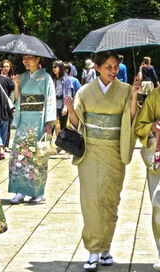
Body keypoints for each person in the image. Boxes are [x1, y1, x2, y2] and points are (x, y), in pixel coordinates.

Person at [64, 51, 140, 271]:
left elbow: (130, 119)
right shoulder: (85, 91)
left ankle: (106, 248)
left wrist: (134, 95)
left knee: (110, 201)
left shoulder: (126, 90)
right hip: (90, 152)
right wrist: (70, 109)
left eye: (116, 66)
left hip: (114, 151)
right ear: (97, 68)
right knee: (91, 202)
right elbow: (78, 123)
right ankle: (92, 251)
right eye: (108, 66)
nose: (113, 71)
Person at [8, 54, 56, 204]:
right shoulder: (22, 77)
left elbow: (50, 99)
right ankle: (20, 191)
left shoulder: (46, 77)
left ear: (38, 59)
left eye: (29, 58)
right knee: (18, 156)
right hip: (24, 120)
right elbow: (16, 99)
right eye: (23, 58)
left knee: (37, 158)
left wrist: (49, 123)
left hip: (39, 120)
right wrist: (16, 84)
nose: (25, 61)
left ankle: (38, 192)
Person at [135, 86, 160, 271]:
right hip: (158, 156)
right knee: (159, 203)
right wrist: (151, 127)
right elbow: (139, 126)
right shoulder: (155, 96)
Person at [52, 60, 74, 131]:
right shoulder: (53, 79)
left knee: (63, 127)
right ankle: (49, 141)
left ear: (60, 68)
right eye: (53, 67)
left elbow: (69, 93)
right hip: (53, 105)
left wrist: (66, 107)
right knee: (52, 125)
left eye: (55, 67)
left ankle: (62, 141)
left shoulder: (67, 79)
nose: (53, 69)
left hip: (62, 105)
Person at [1, 59, 15, 152]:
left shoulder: (12, 78)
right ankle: (1, 144)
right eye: (4, 66)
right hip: (0, 103)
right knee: (0, 123)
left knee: (8, 123)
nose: (6, 68)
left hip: (9, 103)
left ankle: (6, 144)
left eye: (7, 66)